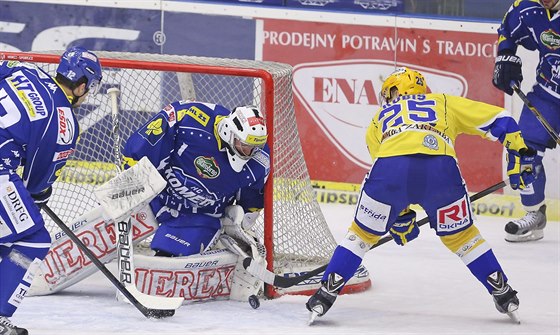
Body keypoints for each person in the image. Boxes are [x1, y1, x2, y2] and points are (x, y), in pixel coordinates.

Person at [306, 67, 536, 324]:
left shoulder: (379, 118)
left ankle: (325, 294)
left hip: (390, 171)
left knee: (361, 235)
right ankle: (503, 292)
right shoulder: (443, 102)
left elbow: (388, 173)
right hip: (441, 172)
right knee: (464, 238)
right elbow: (502, 120)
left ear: (396, 90)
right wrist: (519, 153)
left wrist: (400, 216)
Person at [0, 46, 103, 335]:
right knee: (33, 239)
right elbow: (36, 184)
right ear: (81, 86)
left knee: (9, 229)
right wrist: (37, 198)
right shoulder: (64, 121)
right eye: (90, 88)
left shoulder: (26, 70)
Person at [121, 102, 269, 259]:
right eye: (245, 145)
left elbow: (251, 204)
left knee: (167, 256)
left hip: (198, 216)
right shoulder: (189, 119)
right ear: (230, 132)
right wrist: (130, 182)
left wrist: (239, 225)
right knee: (107, 225)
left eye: (255, 146)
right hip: (153, 197)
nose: (250, 152)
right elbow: (144, 146)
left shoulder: (260, 161)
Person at [492, 0, 560, 242]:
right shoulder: (528, 8)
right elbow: (507, 31)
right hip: (547, 94)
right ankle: (535, 215)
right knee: (522, 151)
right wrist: (506, 57)